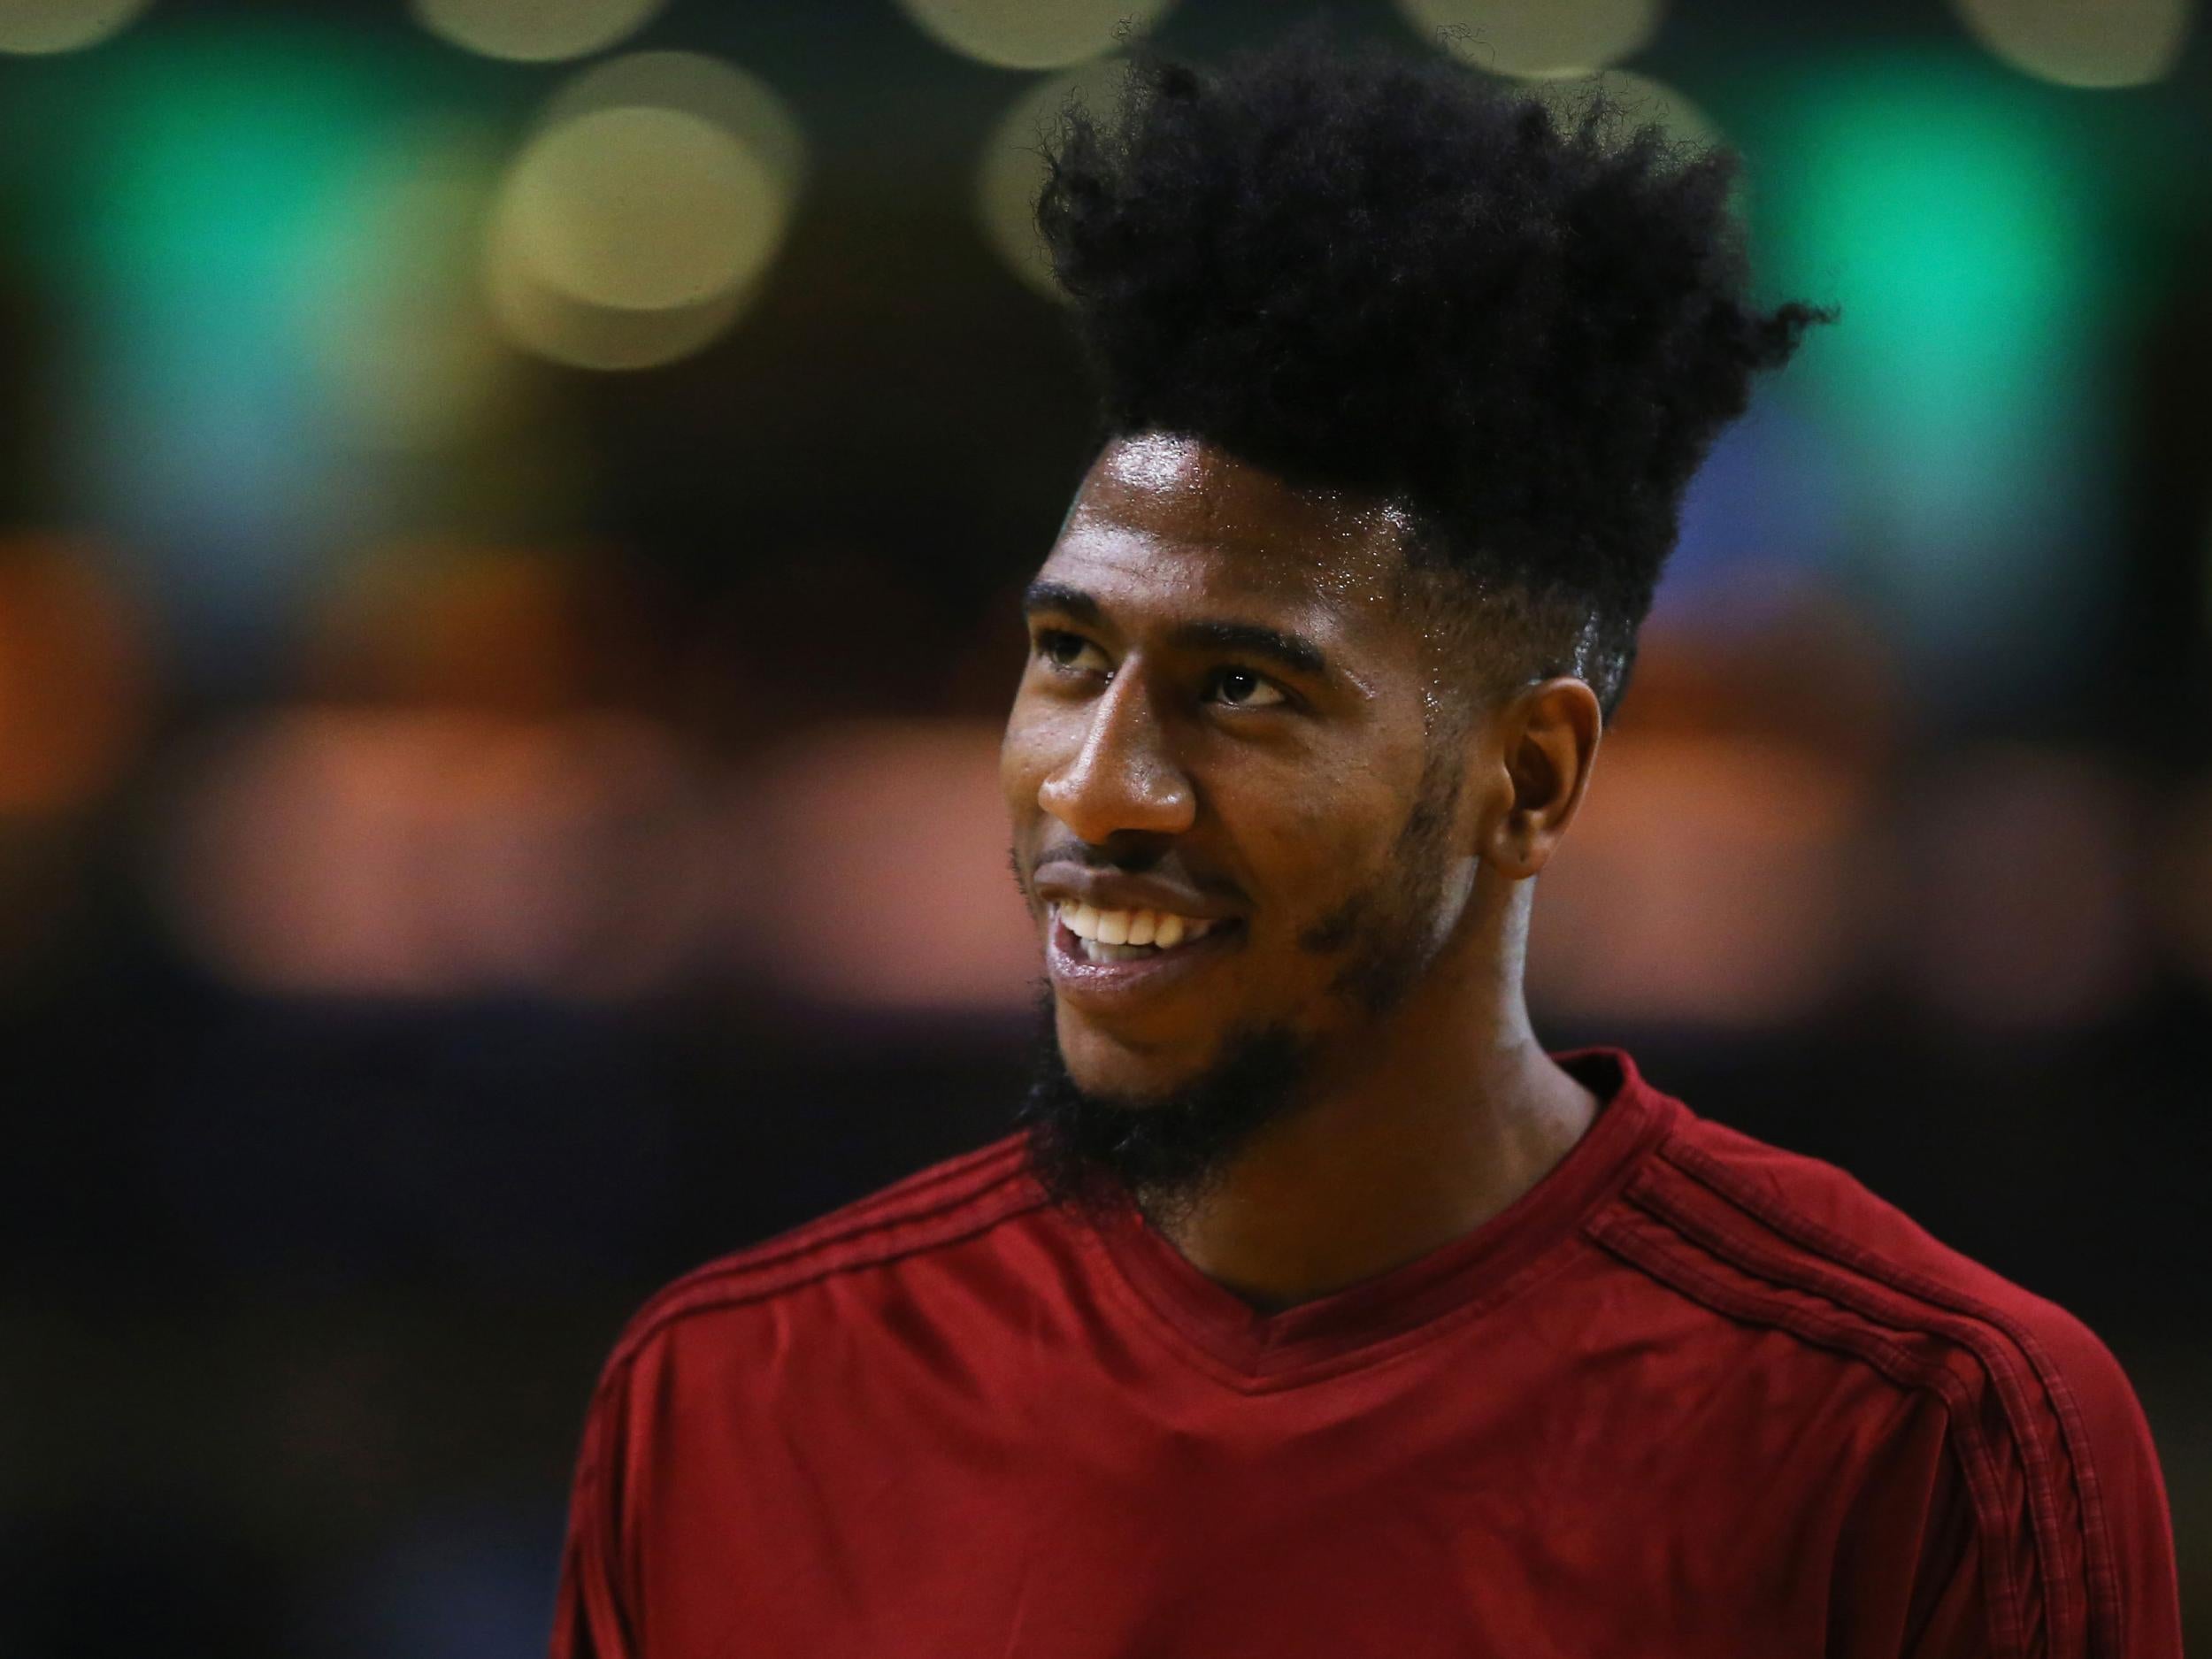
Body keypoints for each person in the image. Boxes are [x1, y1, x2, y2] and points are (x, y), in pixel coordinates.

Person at [549, 33, 2181, 1658]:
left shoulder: (1924, 1431)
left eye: (1243, 688)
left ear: (1528, 776)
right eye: (1067, 657)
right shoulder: (732, 1396)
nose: (1099, 787)